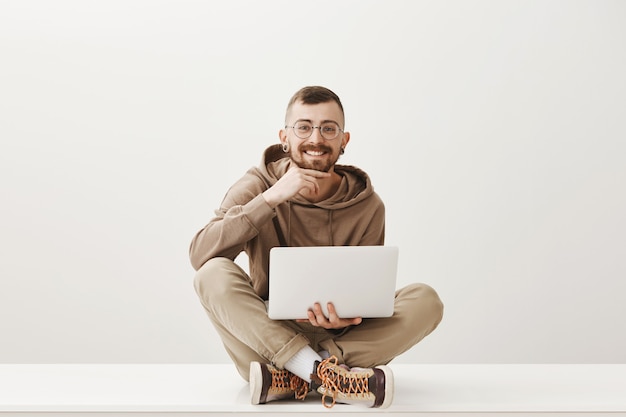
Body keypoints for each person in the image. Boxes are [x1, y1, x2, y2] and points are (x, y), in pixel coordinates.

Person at [190, 86, 444, 409]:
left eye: (328, 128)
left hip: (339, 342)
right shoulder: (258, 185)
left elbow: (367, 292)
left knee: (426, 300)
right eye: (304, 127)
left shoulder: (369, 206)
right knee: (211, 273)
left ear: (344, 141)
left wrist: (351, 318)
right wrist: (270, 199)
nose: (316, 138)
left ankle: (295, 376)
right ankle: (326, 375)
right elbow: (200, 253)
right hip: (267, 338)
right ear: (285, 137)